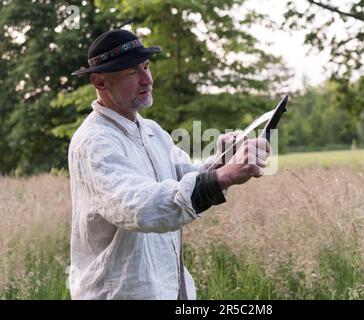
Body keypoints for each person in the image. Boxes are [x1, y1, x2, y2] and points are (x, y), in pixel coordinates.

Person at [68, 29, 270, 300]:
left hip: (167, 288)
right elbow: (141, 206)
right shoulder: (94, 142)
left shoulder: (151, 130)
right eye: (132, 72)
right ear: (100, 82)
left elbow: (184, 177)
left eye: (146, 66)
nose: (147, 79)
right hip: (120, 293)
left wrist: (225, 159)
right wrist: (222, 177)